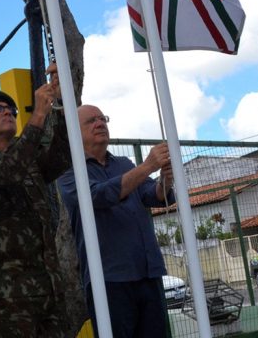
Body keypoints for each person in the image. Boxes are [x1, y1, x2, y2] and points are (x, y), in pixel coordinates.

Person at [0, 63, 72, 337]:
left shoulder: (27, 157)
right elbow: (7, 174)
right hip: (7, 294)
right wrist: (36, 116)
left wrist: (61, 101)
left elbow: (62, 153)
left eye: (11, 110)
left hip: (47, 287)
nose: (8, 113)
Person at [59, 105, 174, 338]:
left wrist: (166, 179)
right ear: (73, 131)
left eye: (103, 119)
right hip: (109, 279)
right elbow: (98, 196)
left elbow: (153, 195)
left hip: (148, 272)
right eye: (91, 121)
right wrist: (148, 166)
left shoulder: (124, 164)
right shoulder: (69, 170)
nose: (100, 123)